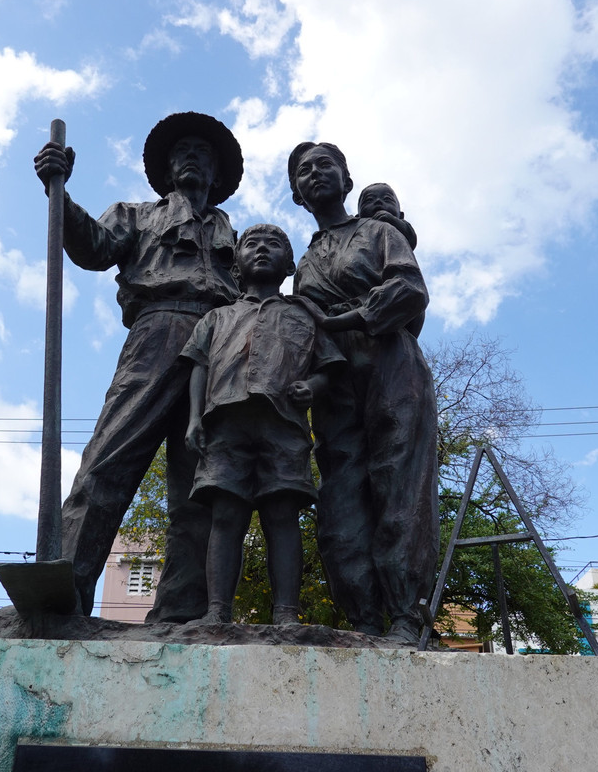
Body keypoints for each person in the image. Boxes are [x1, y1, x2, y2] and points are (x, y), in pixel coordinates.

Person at [33, 112, 244, 622]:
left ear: (216, 174)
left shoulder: (232, 234)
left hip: (222, 343)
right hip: (158, 329)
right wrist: (57, 192)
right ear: (168, 169)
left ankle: (182, 610)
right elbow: (93, 247)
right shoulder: (137, 214)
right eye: (182, 151)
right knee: (109, 460)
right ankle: (67, 586)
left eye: (203, 152)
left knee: (203, 484)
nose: (191, 156)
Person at [288, 142, 439, 645]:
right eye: (303, 171)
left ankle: (405, 616)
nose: (315, 174)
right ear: (296, 192)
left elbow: (409, 290)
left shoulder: (377, 232)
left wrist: (344, 317)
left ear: (347, 179)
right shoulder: (303, 264)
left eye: (325, 165)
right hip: (335, 382)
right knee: (340, 504)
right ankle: (364, 620)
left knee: (399, 486)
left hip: (391, 361)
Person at [180, 224, 344, 626]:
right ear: (237, 262)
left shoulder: (304, 315)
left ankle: (286, 614)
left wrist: (313, 386)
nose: (262, 250)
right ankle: (216, 612)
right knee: (225, 516)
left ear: (289, 263)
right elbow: (198, 366)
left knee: (282, 517)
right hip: (225, 426)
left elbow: (328, 367)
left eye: (274, 245)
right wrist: (194, 419)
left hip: (283, 426)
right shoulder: (217, 317)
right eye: (251, 245)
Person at [357, 182, 424, 337]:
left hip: (401, 285)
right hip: (370, 288)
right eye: (369, 200)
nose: (379, 203)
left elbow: (411, 237)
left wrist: (392, 221)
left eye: (387, 200)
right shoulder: (357, 235)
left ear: (401, 215)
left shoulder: (397, 227)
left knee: (410, 307)